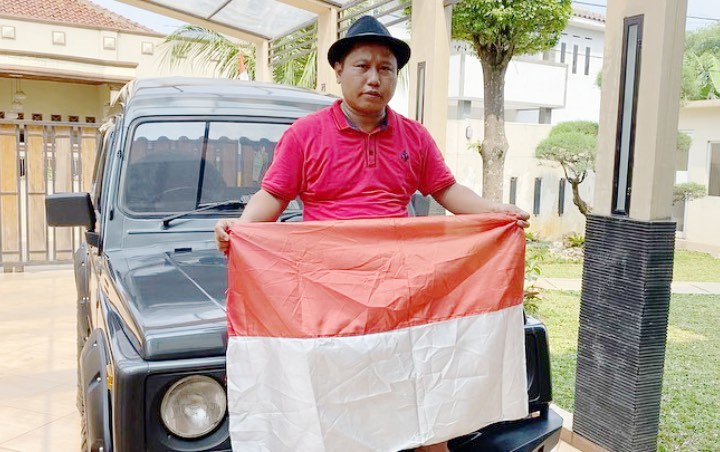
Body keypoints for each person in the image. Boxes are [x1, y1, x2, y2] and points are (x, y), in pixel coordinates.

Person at [215, 15, 529, 452]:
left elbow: (448, 190)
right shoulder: (305, 135)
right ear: (339, 70)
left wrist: (497, 212)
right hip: (327, 296)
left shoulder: (414, 137)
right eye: (362, 66)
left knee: (418, 403)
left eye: (386, 68)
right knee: (336, 404)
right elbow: (272, 196)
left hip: (402, 293)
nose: (374, 78)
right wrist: (240, 233)